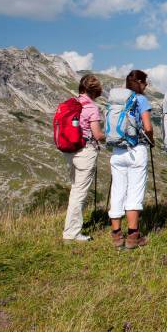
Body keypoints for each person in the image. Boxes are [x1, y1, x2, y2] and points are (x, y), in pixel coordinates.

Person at [108, 69, 154, 250]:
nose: (147, 85)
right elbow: (148, 126)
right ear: (140, 83)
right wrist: (152, 140)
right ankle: (133, 236)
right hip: (136, 150)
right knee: (134, 192)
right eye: (146, 82)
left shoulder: (118, 100)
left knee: (118, 191)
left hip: (117, 150)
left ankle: (117, 235)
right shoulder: (141, 100)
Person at [62, 74, 104, 242]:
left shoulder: (72, 103)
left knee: (75, 189)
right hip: (85, 151)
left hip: (69, 150)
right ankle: (72, 233)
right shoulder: (92, 108)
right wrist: (108, 136)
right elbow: (98, 134)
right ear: (95, 91)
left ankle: (70, 229)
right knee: (79, 193)